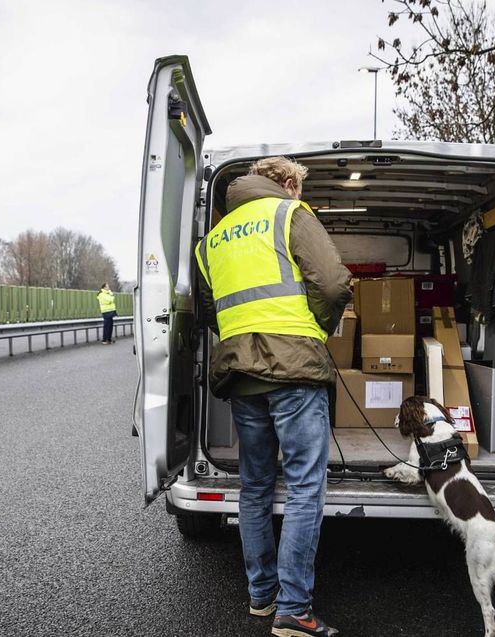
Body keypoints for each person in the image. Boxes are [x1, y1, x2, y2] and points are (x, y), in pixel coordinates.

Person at [195, 157, 351, 636]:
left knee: (256, 487)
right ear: (286, 183)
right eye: (297, 188)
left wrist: (246, 339)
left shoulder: (212, 240)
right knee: (305, 486)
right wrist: (315, 330)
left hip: (242, 376)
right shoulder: (290, 214)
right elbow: (333, 283)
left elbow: (209, 308)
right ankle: (294, 609)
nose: (298, 195)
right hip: (296, 372)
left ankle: (261, 597)